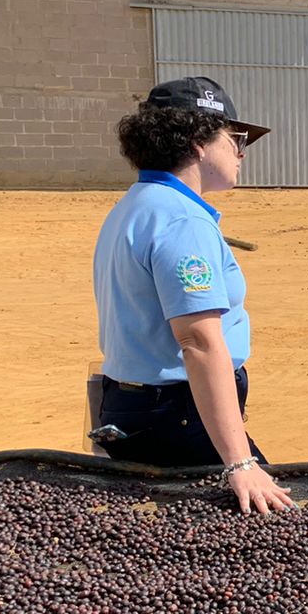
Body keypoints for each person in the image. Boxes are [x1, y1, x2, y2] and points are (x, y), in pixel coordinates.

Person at [91, 76, 293, 515]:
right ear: (199, 142)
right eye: (235, 138)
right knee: (266, 519)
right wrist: (239, 462)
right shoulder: (183, 222)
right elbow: (199, 343)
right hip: (176, 415)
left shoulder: (137, 205)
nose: (242, 151)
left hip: (132, 406)